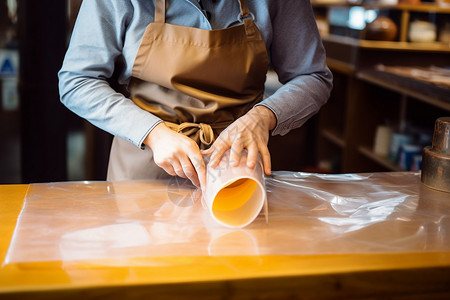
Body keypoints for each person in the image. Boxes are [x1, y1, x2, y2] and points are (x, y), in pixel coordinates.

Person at [58, 0, 333, 190]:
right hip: (144, 168)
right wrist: (153, 133)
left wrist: (263, 117)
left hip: (237, 170)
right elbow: (78, 80)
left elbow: (313, 76)